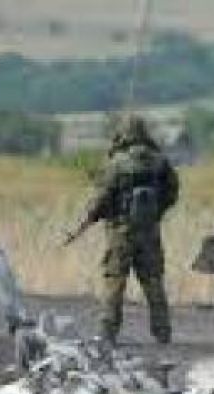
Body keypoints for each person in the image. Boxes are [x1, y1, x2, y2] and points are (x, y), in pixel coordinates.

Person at [64, 114, 179, 345]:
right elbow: (172, 192)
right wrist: (156, 213)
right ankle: (162, 331)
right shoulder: (160, 162)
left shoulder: (116, 164)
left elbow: (101, 198)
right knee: (153, 281)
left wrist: (89, 219)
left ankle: (108, 332)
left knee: (115, 281)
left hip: (121, 232)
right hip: (149, 232)